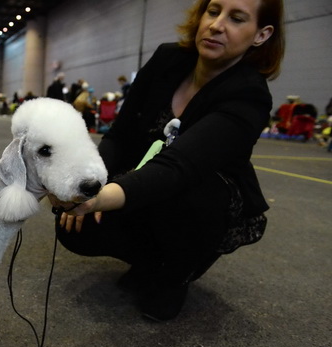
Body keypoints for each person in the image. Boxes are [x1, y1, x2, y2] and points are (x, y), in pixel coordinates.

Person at [51, 0, 284, 321]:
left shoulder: (249, 95)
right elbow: (118, 136)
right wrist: (89, 183)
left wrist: (98, 199)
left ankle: (174, 276)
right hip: (145, 179)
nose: (217, 25)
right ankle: (148, 262)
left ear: (261, 34)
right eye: (213, 11)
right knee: (73, 226)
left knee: (188, 193)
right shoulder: (167, 59)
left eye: (237, 18)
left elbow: (178, 168)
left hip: (198, 201)